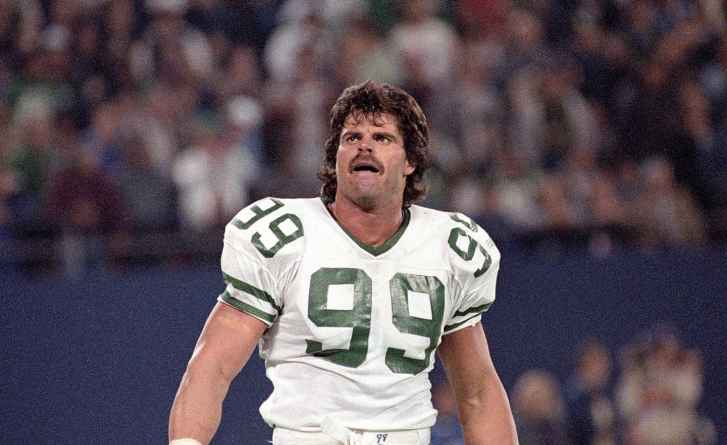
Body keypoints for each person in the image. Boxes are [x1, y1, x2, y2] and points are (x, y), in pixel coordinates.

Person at [168, 81, 518, 445]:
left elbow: (477, 391)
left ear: (410, 161)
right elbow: (213, 365)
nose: (364, 145)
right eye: (351, 137)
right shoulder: (288, 236)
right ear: (335, 157)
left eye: (382, 138)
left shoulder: (447, 246)